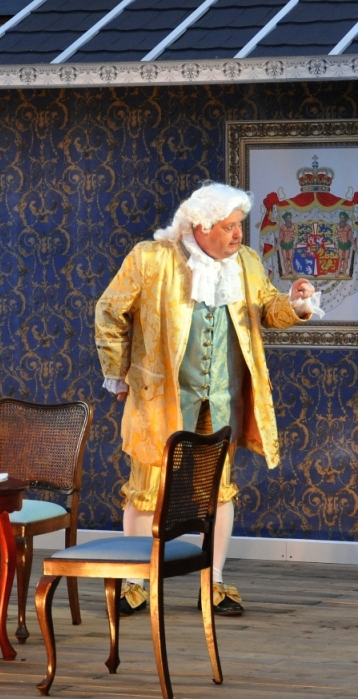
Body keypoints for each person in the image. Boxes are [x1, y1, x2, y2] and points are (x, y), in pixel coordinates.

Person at [95, 182, 320, 617]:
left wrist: (294, 304)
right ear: (201, 226)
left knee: (218, 490)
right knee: (147, 489)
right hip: (161, 399)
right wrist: (116, 372)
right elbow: (109, 311)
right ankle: (135, 582)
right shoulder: (152, 259)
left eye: (239, 225)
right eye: (229, 226)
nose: (238, 234)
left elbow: (267, 308)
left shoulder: (246, 262)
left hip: (219, 399)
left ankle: (211, 582)